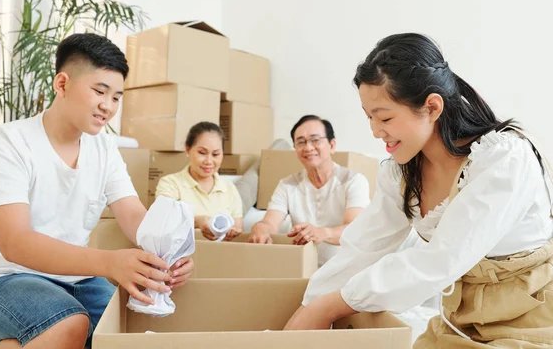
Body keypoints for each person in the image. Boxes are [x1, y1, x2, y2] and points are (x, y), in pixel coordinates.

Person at [284, 33, 553, 348]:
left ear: (432, 107)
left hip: (530, 317)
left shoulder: (503, 158)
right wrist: (311, 307)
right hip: (460, 317)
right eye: (369, 117)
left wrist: (334, 304)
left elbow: (441, 260)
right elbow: (363, 247)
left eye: (384, 117)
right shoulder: (401, 171)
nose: (374, 130)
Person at [0, 33, 194, 349]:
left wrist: (171, 254)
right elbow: (16, 243)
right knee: (69, 324)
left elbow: (134, 214)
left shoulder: (104, 149)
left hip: (76, 281)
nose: (108, 106)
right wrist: (109, 263)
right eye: (99, 91)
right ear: (62, 84)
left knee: (133, 322)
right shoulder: (7, 143)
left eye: (117, 97)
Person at [249, 115, 370, 265]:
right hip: (304, 268)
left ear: (332, 145)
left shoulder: (353, 181)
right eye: (300, 142)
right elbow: (270, 223)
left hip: (346, 268)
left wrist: (323, 232)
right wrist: (261, 228)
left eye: (315, 140)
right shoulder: (287, 185)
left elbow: (354, 230)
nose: (308, 147)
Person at [156, 122, 244, 241]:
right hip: (181, 257)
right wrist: (197, 221)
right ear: (188, 149)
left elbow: (237, 228)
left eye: (215, 154)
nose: (209, 161)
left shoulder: (229, 189)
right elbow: (164, 217)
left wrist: (233, 231)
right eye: (202, 153)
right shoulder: (170, 183)